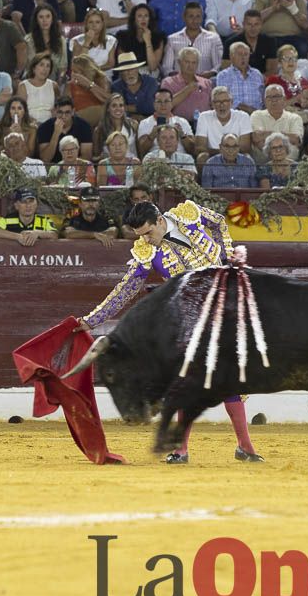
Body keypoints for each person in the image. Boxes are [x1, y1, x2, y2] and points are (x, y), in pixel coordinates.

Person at [78, 199, 264, 464]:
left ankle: (244, 446)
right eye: (140, 235)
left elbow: (219, 222)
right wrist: (91, 320)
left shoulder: (188, 215)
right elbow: (125, 290)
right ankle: (181, 449)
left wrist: (227, 258)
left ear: (159, 220)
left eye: (148, 232)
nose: (145, 239)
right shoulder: (147, 252)